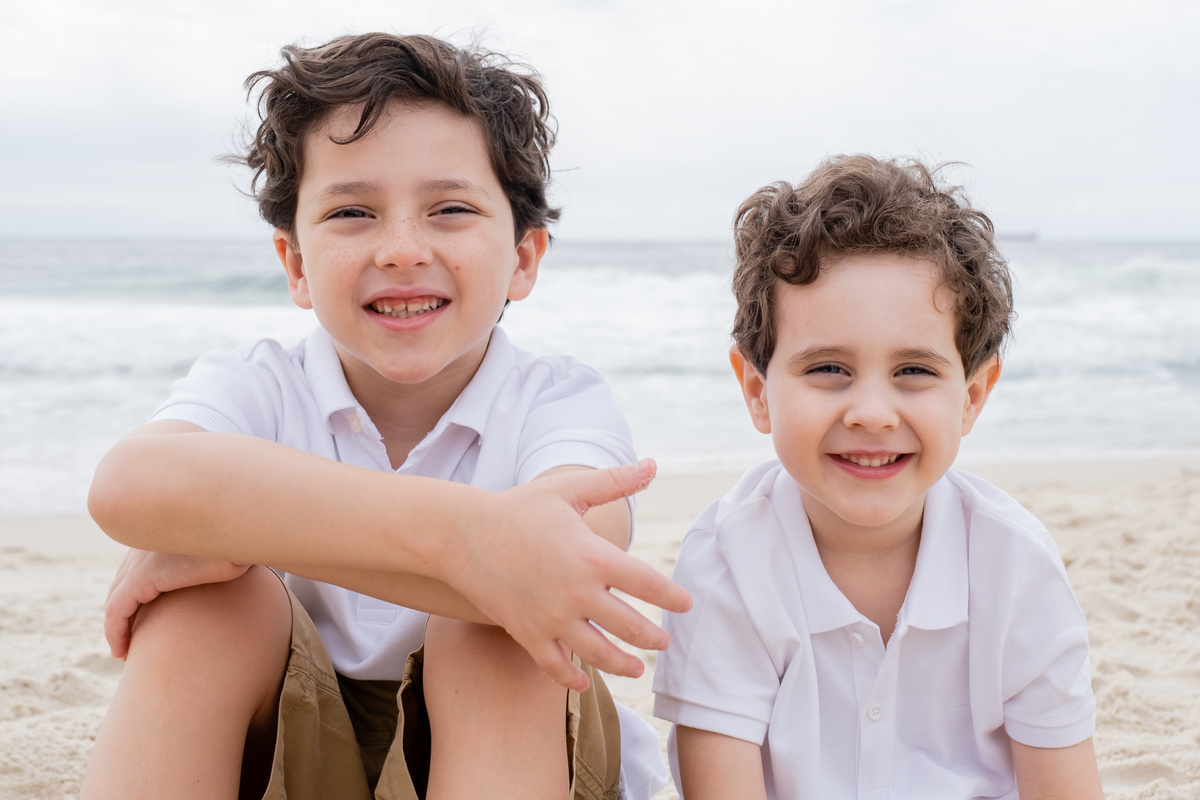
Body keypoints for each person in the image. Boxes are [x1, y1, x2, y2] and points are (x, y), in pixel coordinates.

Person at [81, 32, 689, 800]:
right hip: (295, 748)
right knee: (206, 607)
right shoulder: (261, 384)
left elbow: (564, 556)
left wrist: (238, 530)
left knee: (494, 628)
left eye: (451, 209)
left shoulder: (557, 401)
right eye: (352, 212)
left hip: (510, 747)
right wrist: (473, 538)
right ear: (296, 264)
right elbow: (130, 483)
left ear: (524, 258)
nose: (402, 249)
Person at [652, 155, 1104, 799]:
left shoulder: (1015, 565)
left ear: (972, 396)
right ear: (756, 390)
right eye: (828, 369)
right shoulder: (728, 565)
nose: (871, 413)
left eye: (913, 371)